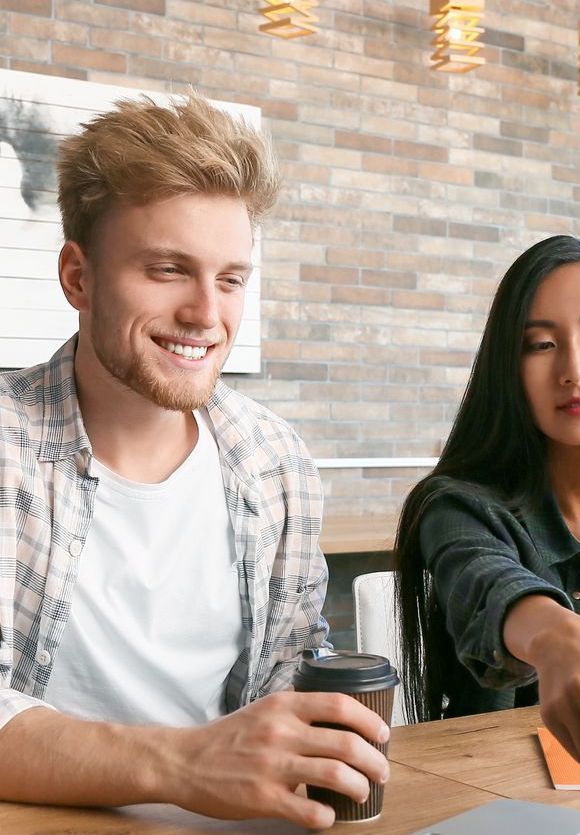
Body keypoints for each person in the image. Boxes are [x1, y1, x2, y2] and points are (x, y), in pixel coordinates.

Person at [0, 94, 389, 829]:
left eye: (232, 278)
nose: (207, 314)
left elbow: (288, 669)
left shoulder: (277, 464)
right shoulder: (7, 450)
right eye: (168, 269)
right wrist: (181, 764)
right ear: (78, 278)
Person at [395, 235, 580, 769]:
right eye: (540, 344)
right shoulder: (457, 504)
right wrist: (560, 639)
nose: (574, 368)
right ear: (510, 367)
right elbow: (490, 586)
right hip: (502, 791)